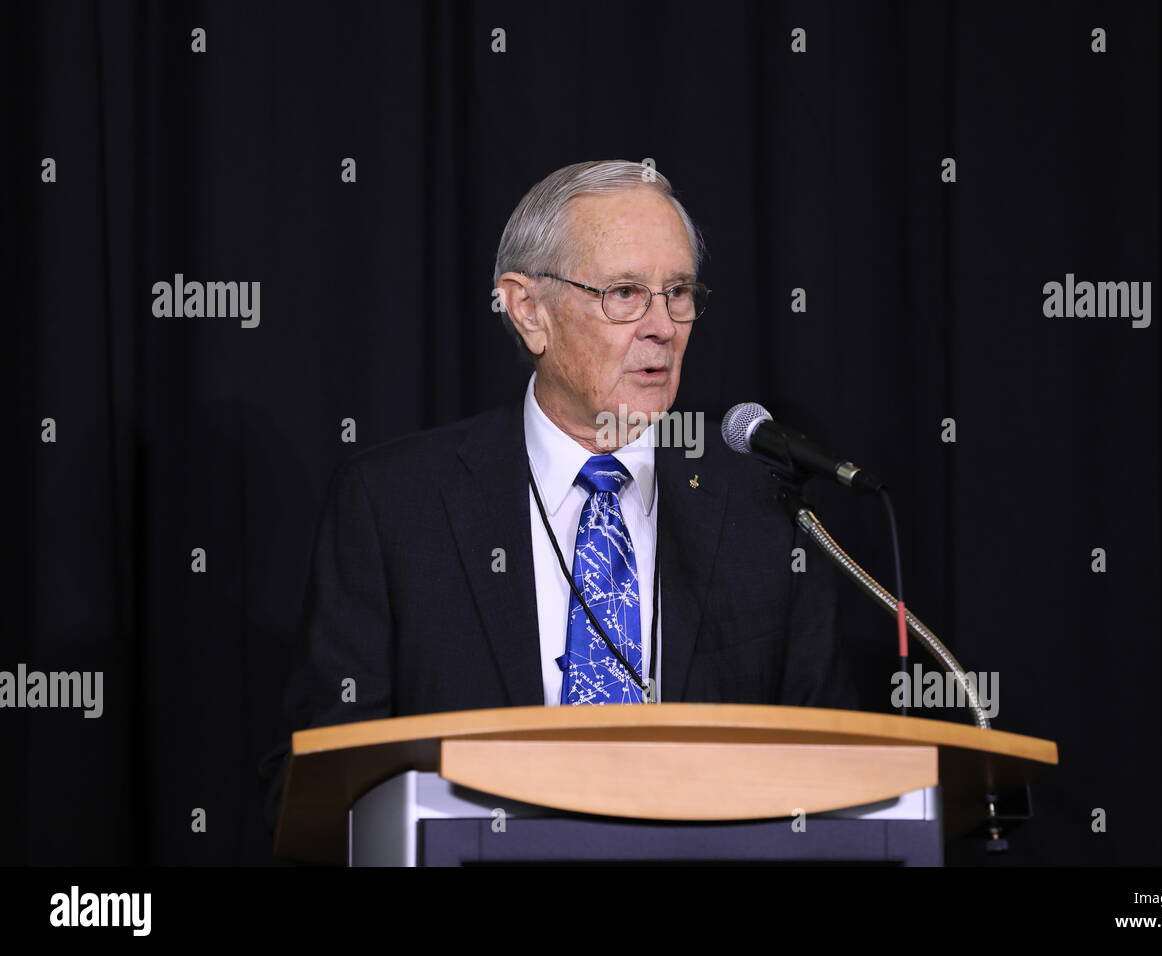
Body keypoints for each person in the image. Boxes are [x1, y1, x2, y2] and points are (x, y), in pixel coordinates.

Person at [259, 160, 854, 836]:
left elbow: (832, 771)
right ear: (527, 310)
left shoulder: (767, 507)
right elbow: (316, 778)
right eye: (626, 293)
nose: (663, 326)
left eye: (679, 292)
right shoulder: (394, 506)